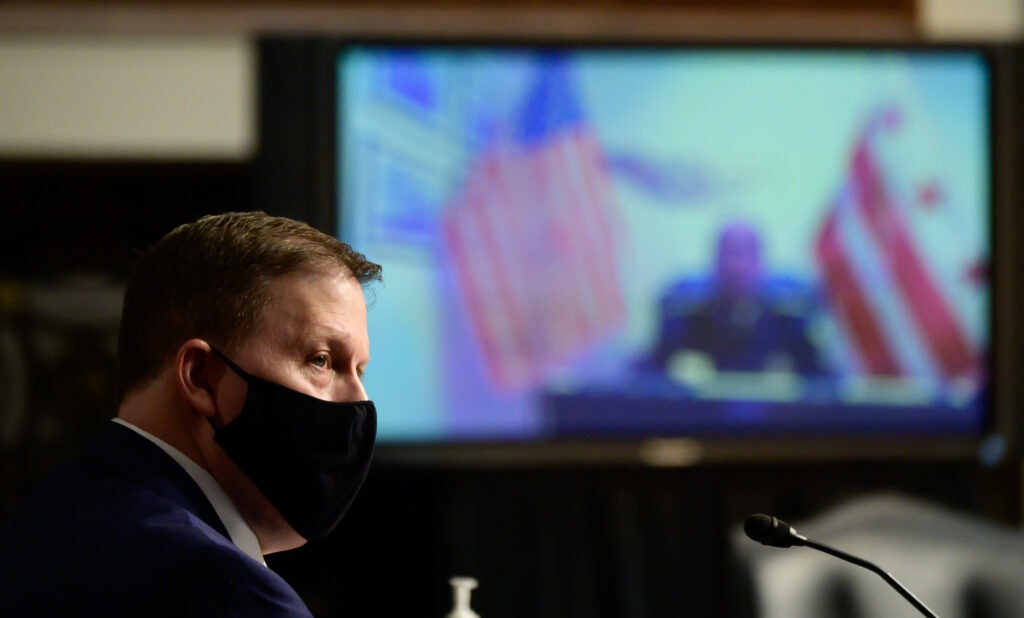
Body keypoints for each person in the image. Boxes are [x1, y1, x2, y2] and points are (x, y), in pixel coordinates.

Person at [0, 212, 382, 616]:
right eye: (321, 360)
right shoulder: (223, 587)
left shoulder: (53, 512)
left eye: (359, 370)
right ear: (202, 376)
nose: (358, 401)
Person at [645, 220, 824, 377]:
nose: (736, 266)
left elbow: (822, 383)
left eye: (745, 253)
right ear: (715, 260)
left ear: (760, 262)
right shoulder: (686, 318)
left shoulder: (790, 320)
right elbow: (647, 378)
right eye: (728, 253)